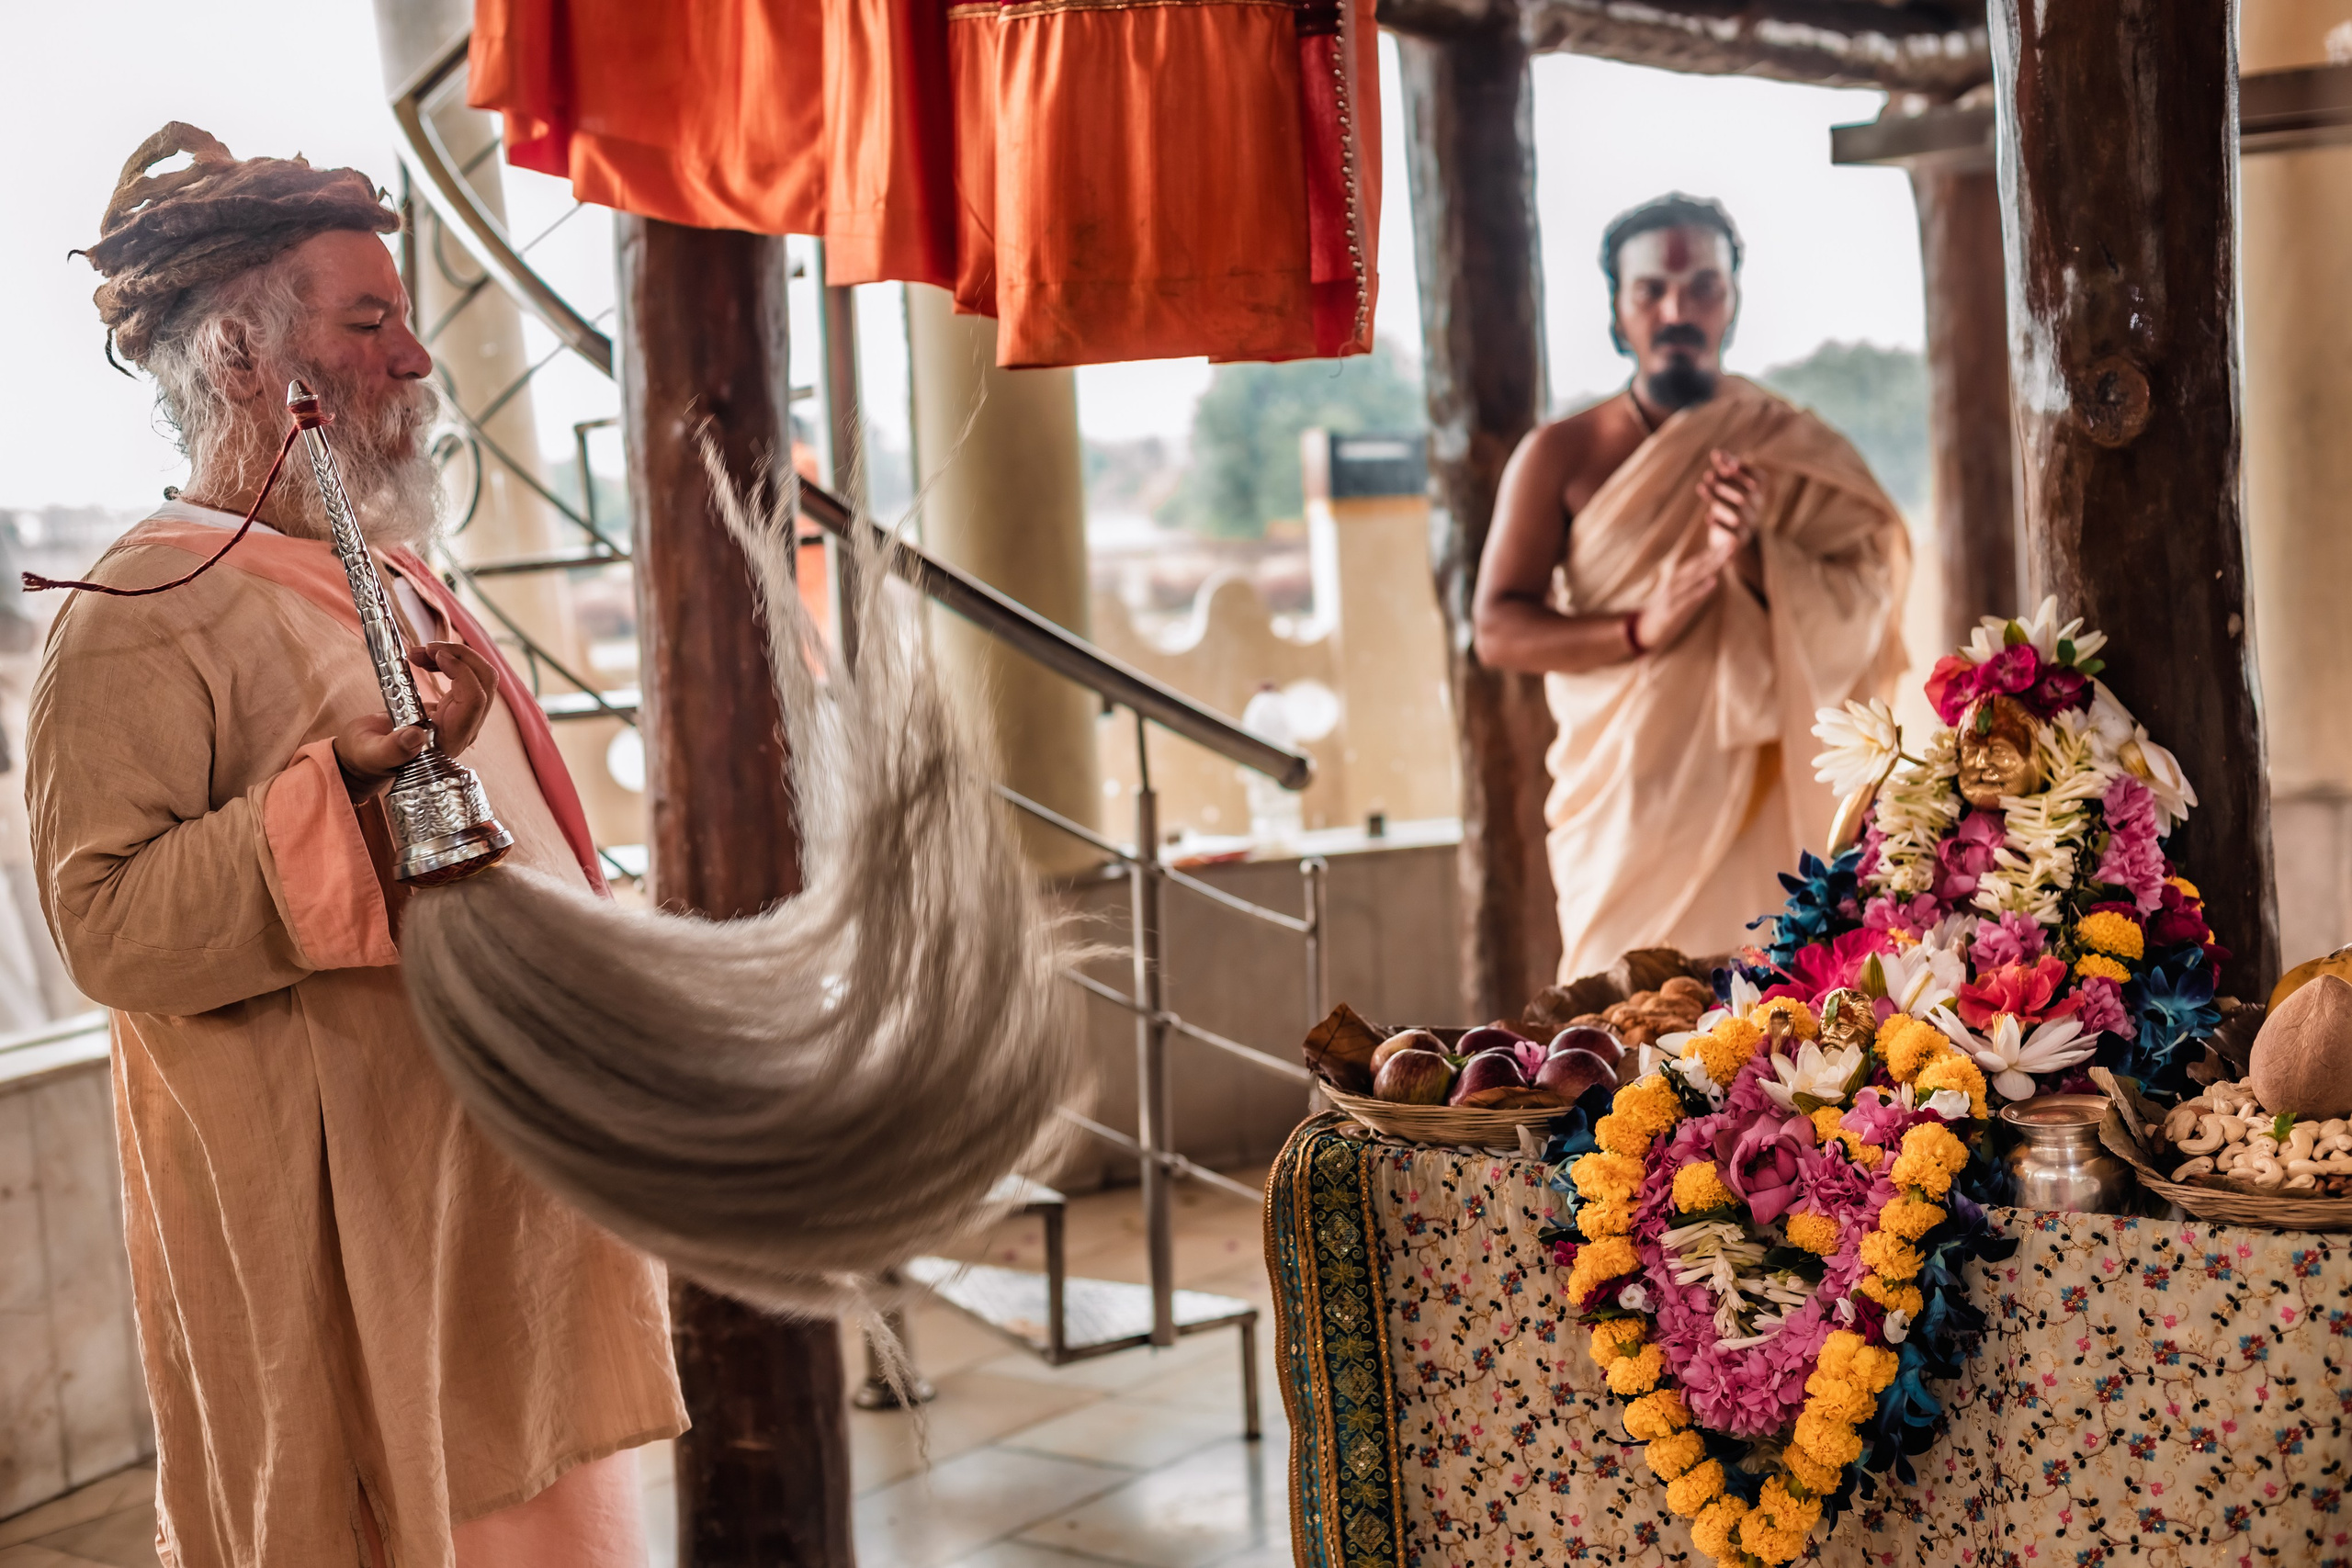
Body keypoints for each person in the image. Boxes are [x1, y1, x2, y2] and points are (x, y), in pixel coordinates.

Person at [25, 124, 682, 1568]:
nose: (418, 362)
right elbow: (106, 925)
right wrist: (350, 804)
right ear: (245, 358)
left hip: (489, 1197)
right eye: (369, 321)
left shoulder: (378, 568)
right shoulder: (141, 607)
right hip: (343, 1231)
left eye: (405, 320)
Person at [1472, 194, 1910, 981]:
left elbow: (1870, 589)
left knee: (1767, 1019)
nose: (1678, 308)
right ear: (1618, 309)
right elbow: (1499, 628)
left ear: (1732, 300)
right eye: (1652, 289)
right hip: (1630, 799)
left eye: (1702, 285)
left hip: (1763, 793)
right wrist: (1640, 625)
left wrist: (1753, 557)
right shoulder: (1561, 453)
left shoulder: (1787, 444)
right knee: (1622, 1012)